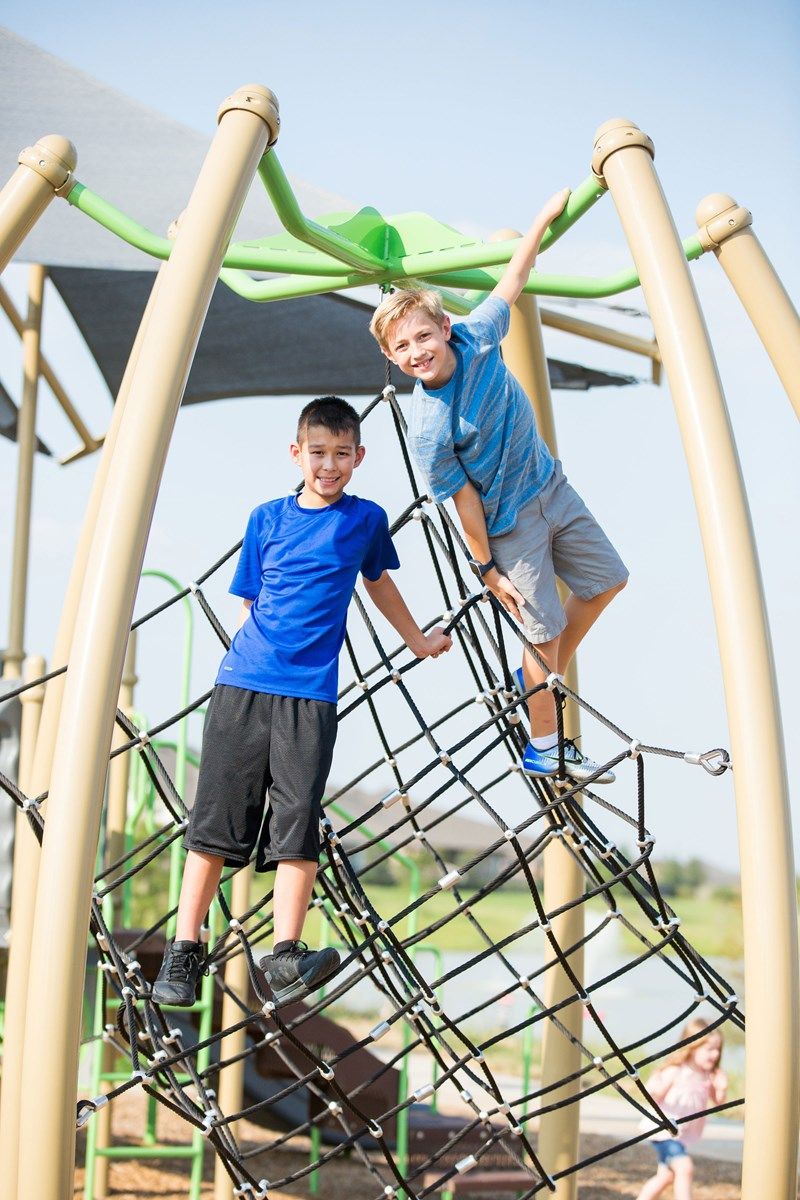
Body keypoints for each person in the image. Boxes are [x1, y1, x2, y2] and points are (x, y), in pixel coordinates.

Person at [152, 396, 452, 1008]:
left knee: (298, 825)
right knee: (215, 823)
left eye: (342, 454)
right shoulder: (266, 518)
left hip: (309, 697)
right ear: (297, 454)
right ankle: (184, 953)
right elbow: (248, 600)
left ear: (359, 457)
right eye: (318, 453)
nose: (329, 465)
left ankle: (285, 956)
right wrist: (254, 660)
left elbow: (380, 584)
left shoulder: (365, 520)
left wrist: (418, 640)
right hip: (243, 686)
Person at [369, 190, 628, 785]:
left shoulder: (479, 335)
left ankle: (538, 672)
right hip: (509, 525)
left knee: (607, 580)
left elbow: (514, 277)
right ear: (390, 354)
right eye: (401, 347)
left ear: (445, 326)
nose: (417, 352)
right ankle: (544, 745)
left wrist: (538, 220)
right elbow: (463, 501)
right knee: (541, 638)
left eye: (422, 337)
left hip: (551, 485)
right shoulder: (430, 426)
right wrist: (488, 569)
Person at [635, 1018, 728, 1200]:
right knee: (684, 1168)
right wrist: (661, 1087)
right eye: (709, 1049)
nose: (715, 1055)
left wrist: (722, 1088)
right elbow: (652, 1097)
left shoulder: (708, 1076)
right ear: (692, 1046)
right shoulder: (676, 1071)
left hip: (681, 1135)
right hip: (664, 1131)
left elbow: (719, 1104)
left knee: (666, 1177)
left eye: (718, 1049)